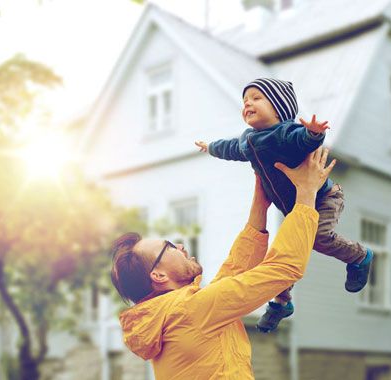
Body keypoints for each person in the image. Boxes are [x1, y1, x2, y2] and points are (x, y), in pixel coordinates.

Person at [110, 147, 336, 380]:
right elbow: (285, 267)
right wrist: (306, 192)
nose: (180, 246)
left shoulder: (172, 315)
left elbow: (233, 272)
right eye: (169, 246)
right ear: (158, 276)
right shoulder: (190, 310)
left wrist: (260, 199)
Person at [195, 78, 374, 333]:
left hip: (324, 197)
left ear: (278, 108)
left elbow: (302, 139)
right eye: (245, 100)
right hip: (295, 209)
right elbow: (230, 147)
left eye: (256, 98)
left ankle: (359, 256)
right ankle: (282, 303)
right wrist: (211, 147)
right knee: (282, 252)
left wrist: (314, 132)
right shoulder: (247, 140)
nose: (247, 103)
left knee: (319, 238)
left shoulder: (284, 132)